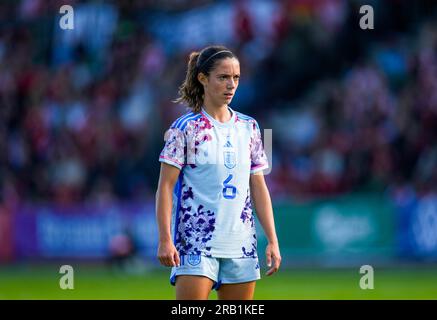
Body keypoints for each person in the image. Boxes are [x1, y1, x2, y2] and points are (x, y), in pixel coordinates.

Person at [155, 45, 281, 300]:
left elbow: (258, 186)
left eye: (236, 77)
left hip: (241, 245)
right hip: (195, 242)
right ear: (202, 78)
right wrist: (165, 239)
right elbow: (165, 187)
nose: (231, 85)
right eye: (223, 77)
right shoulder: (184, 128)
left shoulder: (251, 127)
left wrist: (272, 239)